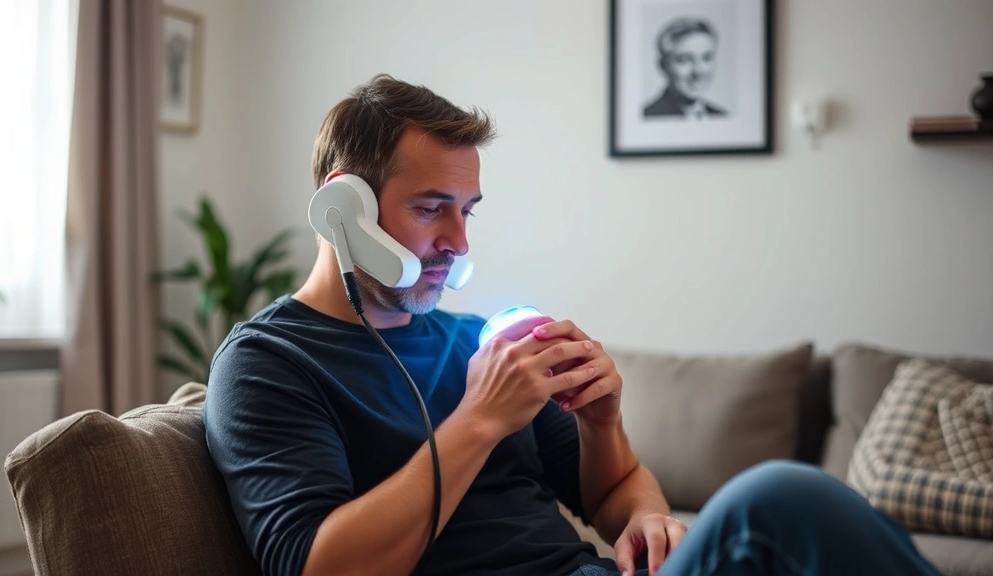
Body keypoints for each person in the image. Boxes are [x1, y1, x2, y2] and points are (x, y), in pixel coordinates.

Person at [203, 74, 941, 576]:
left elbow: (616, 491)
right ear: (344, 211)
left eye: (469, 211)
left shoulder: (475, 342)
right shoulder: (269, 363)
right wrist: (480, 420)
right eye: (432, 208)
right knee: (775, 502)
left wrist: (615, 448)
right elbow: (316, 565)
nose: (460, 242)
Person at [643, 17, 728, 120]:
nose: (698, 71)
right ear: (663, 66)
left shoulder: (722, 116)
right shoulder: (648, 117)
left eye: (706, 58)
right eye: (684, 60)